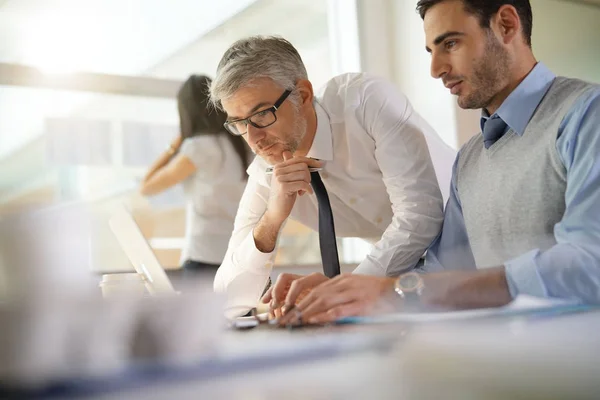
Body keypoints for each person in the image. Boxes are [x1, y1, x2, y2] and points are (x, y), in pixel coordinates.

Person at [275, 0, 600, 325]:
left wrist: (393, 291)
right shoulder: (469, 160)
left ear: (506, 25)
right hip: (503, 364)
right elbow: (444, 273)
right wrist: (351, 289)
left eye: (450, 43)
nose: (436, 69)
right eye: (431, 51)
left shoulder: (588, 116)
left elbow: (591, 262)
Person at [208, 36, 456, 317]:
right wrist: (271, 221)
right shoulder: (267, 173)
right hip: (407, 286)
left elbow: (421, 214)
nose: (253, 139)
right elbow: (228, 298)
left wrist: (342, 290)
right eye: (239, 123)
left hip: (476, 249)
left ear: (302, 95)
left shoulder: (365, 102)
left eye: (262, 115)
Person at [140, 75, 249, 278]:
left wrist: (175, 144)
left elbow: (147, 187)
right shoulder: (240, 144)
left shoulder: (199, 147)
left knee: (201, 311)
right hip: (240, 254)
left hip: (204, 254)